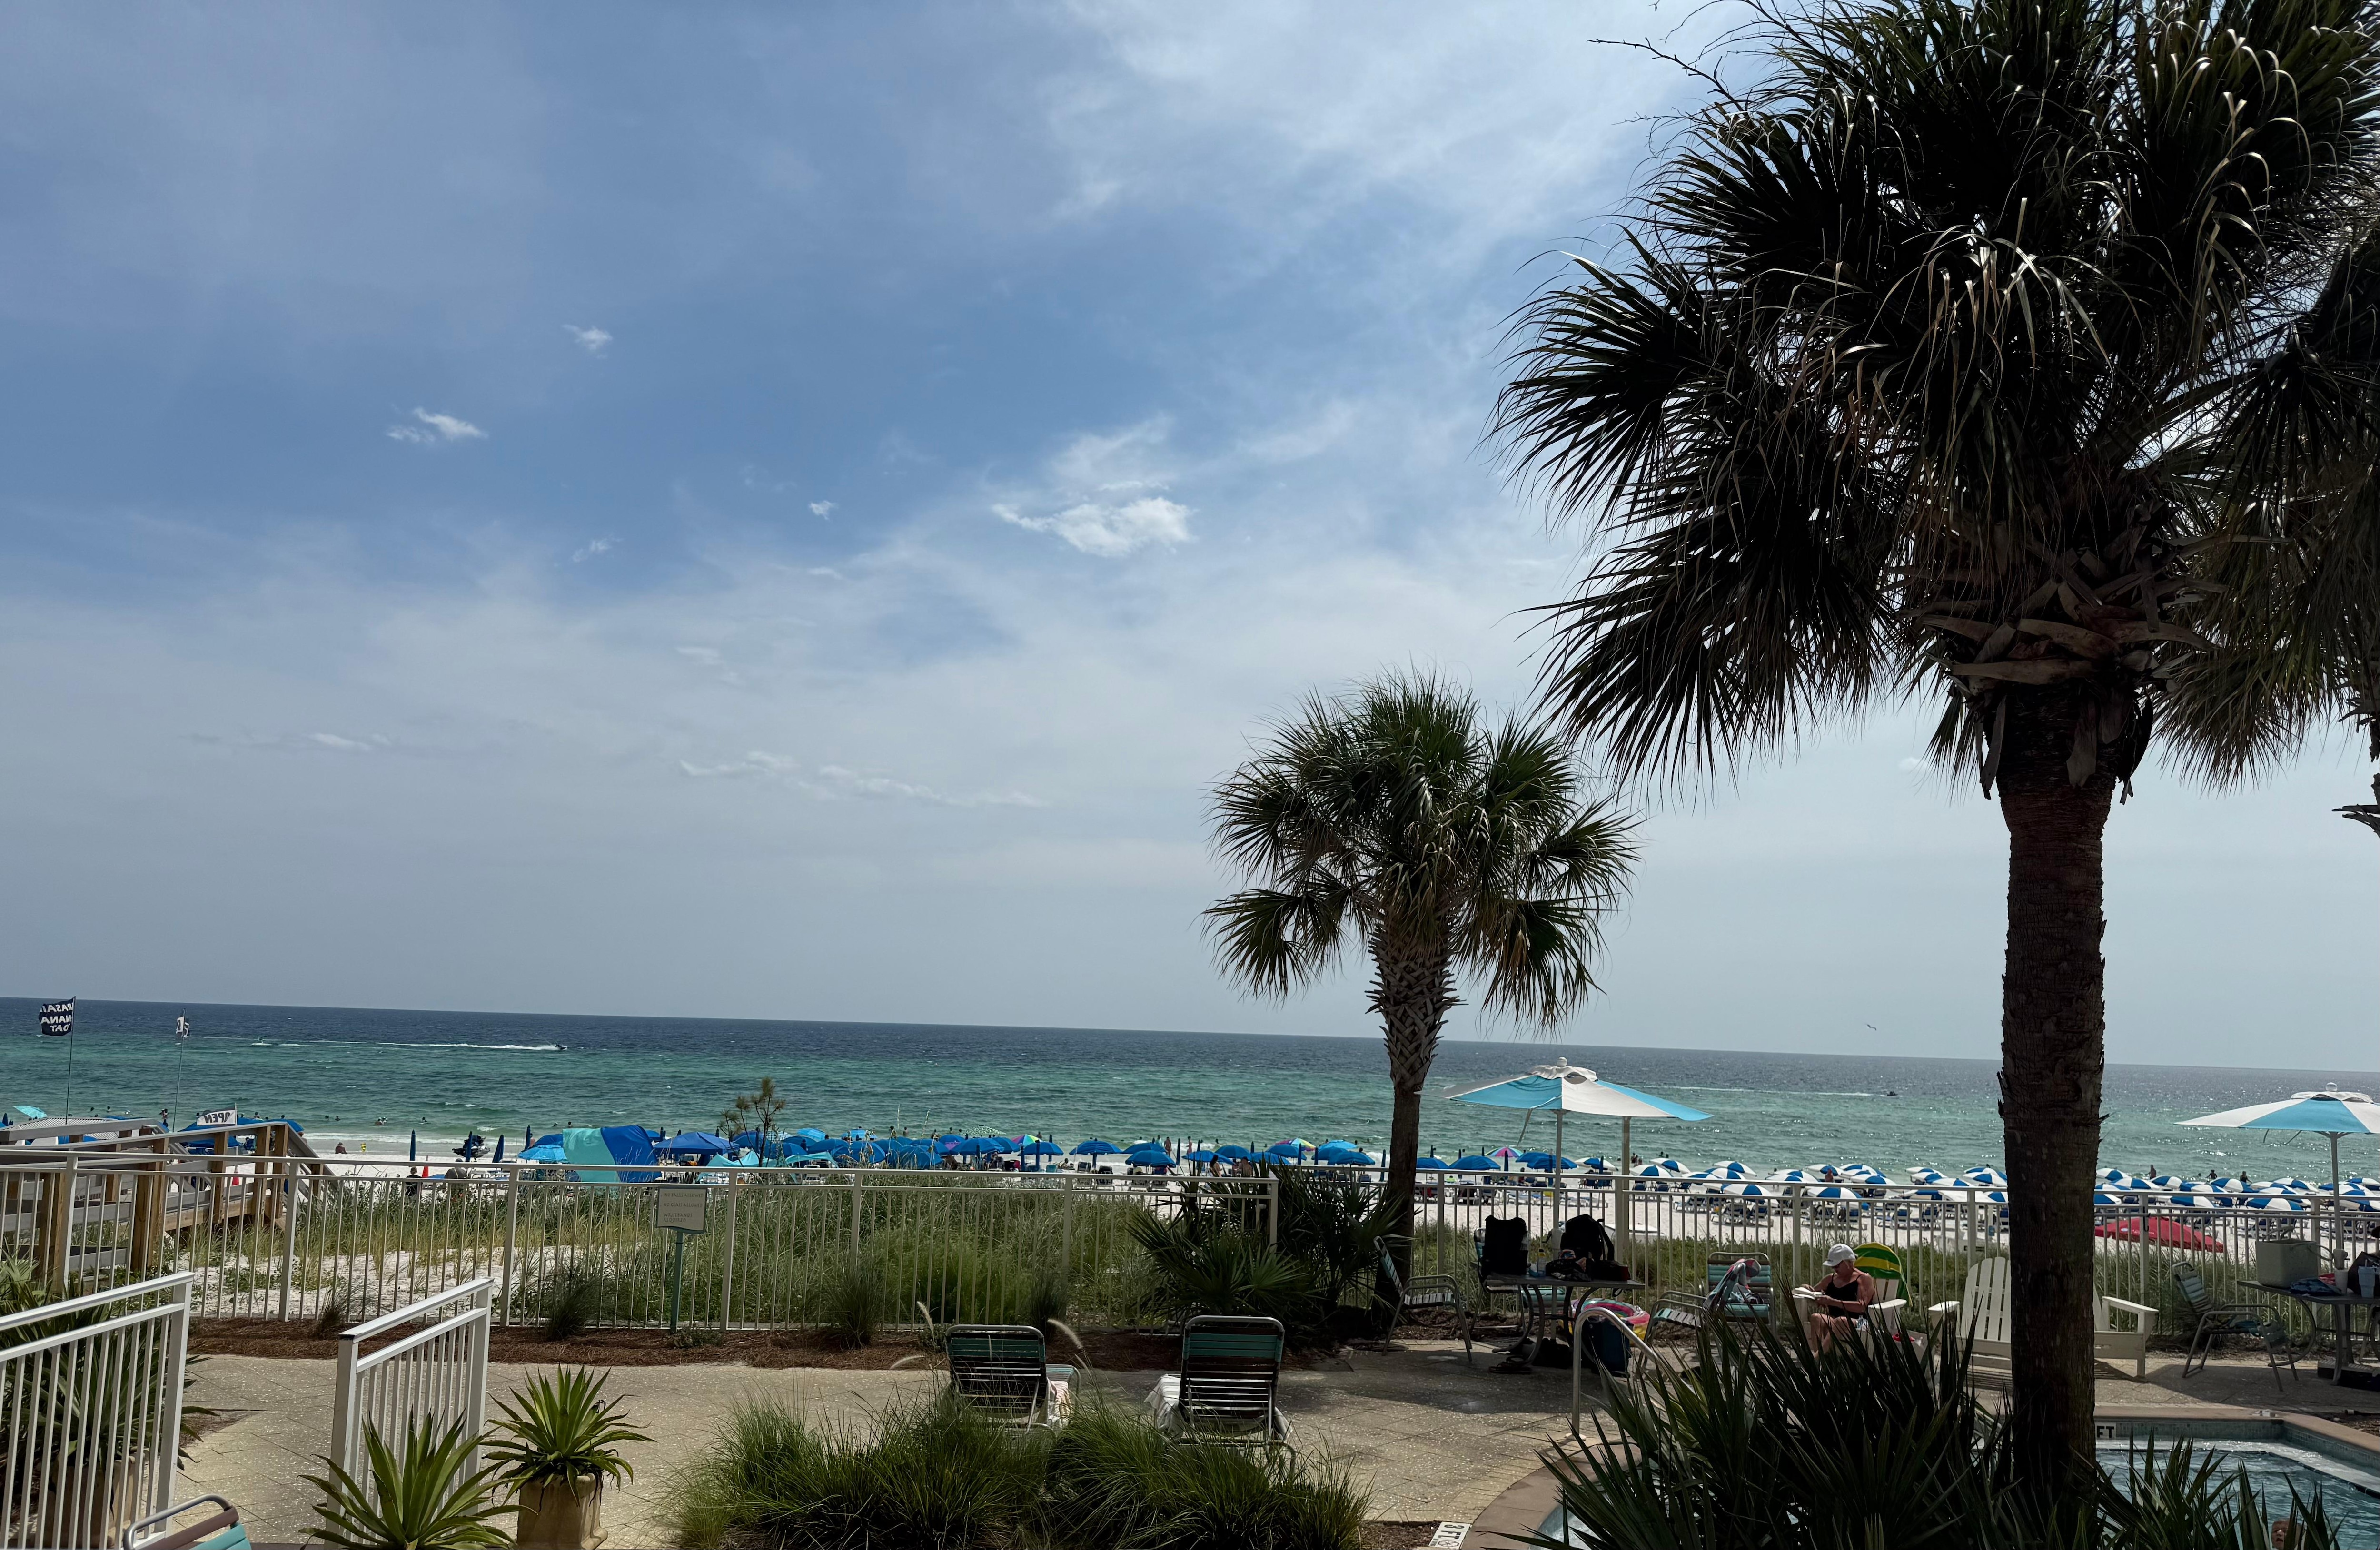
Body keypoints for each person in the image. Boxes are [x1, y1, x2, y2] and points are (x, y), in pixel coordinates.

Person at [1802, 1244, 1875, 1352]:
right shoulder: (1831, 1279)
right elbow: (1813, 1291)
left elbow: (1861, 1307)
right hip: (1834, 1319)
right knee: (1816, 1317)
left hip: (1859, 1322)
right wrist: (1805, 1288)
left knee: (1841, 1321)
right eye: (1833, 1266)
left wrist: (1832, 1302)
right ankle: (1822, 1359)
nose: (1834, 1269)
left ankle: (1816, 1359)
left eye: (1837, 1266)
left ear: (1848, 1263)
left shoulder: (1863, 1279)